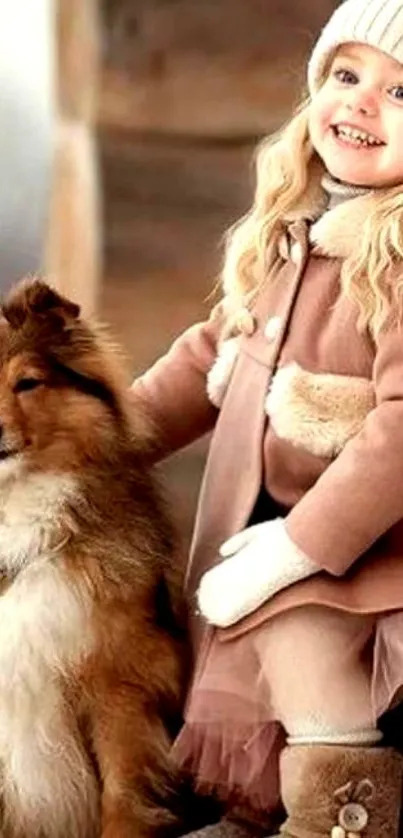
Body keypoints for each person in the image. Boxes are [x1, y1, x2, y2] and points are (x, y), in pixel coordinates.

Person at [131, 0, 403, 835]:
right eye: (344, 74)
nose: (358, 102)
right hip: (262, 536)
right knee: (253, 678)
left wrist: (296, 546)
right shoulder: (290, 236)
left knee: (308, 657)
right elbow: (207, 358)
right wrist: (99, 436)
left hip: (358, 555)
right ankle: (261, 815)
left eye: (402, 93)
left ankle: (341, 818)